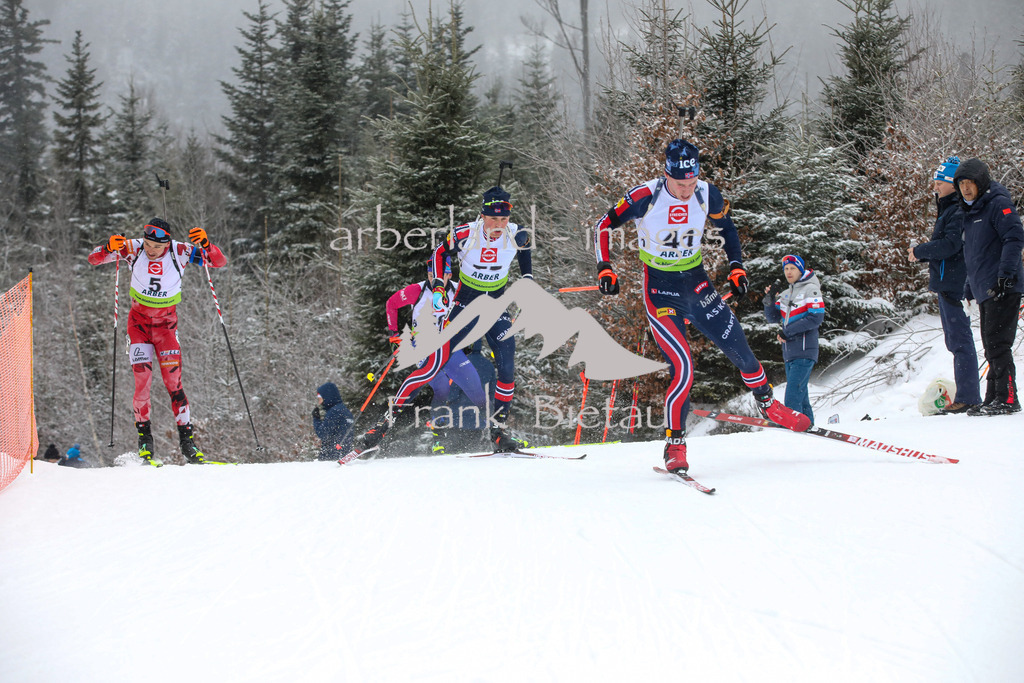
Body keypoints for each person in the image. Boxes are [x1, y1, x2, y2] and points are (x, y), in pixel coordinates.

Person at [593, 139, 810, 474]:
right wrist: (604, 267)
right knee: (683, 367)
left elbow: (728, 228)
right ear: (667, 175)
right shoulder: (645, 196)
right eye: (680, 185)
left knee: (739, 347)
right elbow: (603, 225)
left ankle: (768, 404)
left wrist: (736, 267)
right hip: (661, 292)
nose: (686, 191)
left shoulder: (707, 193)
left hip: (697, 284)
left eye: (692, 183)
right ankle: (675, 444)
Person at [349, 185, 533, 457]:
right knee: (430, 368)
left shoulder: (516, 233)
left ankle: (498, 431)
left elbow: (525, 250)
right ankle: (381, 428)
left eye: (503, 219)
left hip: (495, 306)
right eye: (493, 219)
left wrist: (528, 279)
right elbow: (439, 253)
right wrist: (437, 287)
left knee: (507, 367)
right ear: (482, 216)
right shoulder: (464, 234)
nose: (498, 225)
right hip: (464, 305)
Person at [88, 218, 228, 464]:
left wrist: (207, 245)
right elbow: (94, 259)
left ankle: (188, 443)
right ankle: (145, 440)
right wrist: (108, 247)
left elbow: (218, 262)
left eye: (157, 247)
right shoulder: (133, 248)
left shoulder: (180, 251)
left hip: (166, 328)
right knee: (142, 382)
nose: (151, 250)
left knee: (174, 383)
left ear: (167, 243)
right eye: (148, 244)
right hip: (139, 326)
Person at [384, 259, 488, 454]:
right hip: (423, 347)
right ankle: (438, 437)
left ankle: (495, 430)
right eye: (431, 275)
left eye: (439, 276)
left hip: (449, 347)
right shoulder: (418, 290)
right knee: (441, 387)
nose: (434, 280)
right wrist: (394, 335)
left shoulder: (459, 290)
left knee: (474, 385)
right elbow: (392, 303)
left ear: (449, 275)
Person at [907, 156, 982, 414]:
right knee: (955, 341)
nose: (935, 187)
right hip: (946, 283)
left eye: (940, 182)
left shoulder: (957, 210)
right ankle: (966, 395)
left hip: (955, 284)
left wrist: (920, 250)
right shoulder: (948, 208)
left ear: (952, 183)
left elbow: (951, 245)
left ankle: (969, 397)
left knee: (960, 341)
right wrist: (922, 255)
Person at [954, 158, 1024, 415]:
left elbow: (1014, 238)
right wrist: (968, 288)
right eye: (961, 183)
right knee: (991, 344)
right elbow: (973, 255)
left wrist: (1006, 275)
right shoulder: (971, 213)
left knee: (998, 343)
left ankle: (1007, 398)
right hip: (984, 287)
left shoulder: (998, 204)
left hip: (1003, 285)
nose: (965, 188)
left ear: (981, 182)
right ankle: (993, 396)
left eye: (970, 183)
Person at [763, 254, 826, 425]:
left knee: (792, 395)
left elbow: (816, 318)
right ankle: (808, 426)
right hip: (789, 352)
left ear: (800, 270)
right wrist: (769, 300)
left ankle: (792, 426)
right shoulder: (785, 294)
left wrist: (787, 332)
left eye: (792, 268)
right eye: (786, 269)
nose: (789, 272)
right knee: (801, 394)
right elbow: (773, 318)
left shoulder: (811, 289)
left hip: (805, 350)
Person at [313, 382, 355, 460]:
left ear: (327, 397)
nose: (319, 402)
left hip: (331, 456)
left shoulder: (334, 412)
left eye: (320, 399)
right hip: (344, 454)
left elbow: (323, 434)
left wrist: (316, 419)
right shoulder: (345, 411)